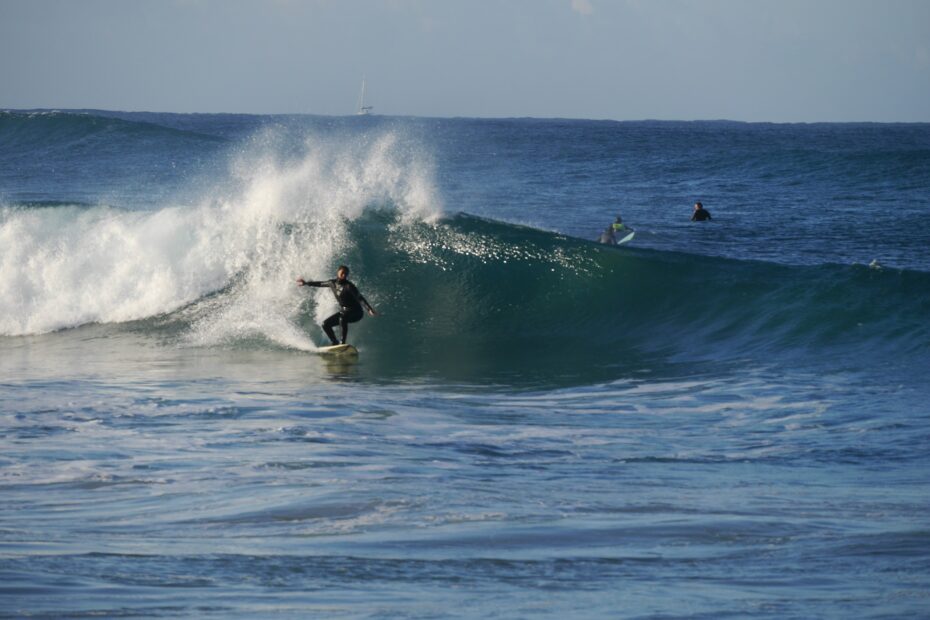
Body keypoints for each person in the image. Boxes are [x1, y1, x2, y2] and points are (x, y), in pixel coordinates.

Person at [297, 265, 377, 346]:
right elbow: (320, 283)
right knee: (325, 324)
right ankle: (335, 342)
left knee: (342, 317)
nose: (344, 275)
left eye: (346, 274)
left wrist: (369, 309)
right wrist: (306, 283)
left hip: (357, 313)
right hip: (345, 311)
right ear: (338, 272)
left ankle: (342, 343)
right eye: (342, 273)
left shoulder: (349, 286)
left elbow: (360, 297)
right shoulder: (332, 283)